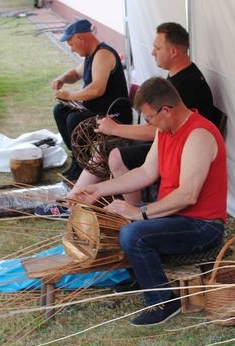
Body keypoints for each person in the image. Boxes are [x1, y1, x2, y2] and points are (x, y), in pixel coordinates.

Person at [73, 77, 227, 326]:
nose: (149, 124)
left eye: (149, 118)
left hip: (203, 225)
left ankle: (162, 301)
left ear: (166, 110)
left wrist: (140, 213)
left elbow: (188, 195)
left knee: (134, 235)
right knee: (114, 219)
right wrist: (97, 189)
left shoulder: (199, 135)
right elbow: (145, 173)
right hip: (175, 216)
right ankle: (142, 277)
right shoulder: (166, 130)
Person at [58, 22, 215, 207]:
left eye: (157, 48)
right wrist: (116, 130)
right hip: (167, 141)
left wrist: (116, 128)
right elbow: (159, 128)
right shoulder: (180, 75)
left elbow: (155, 131)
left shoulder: (188, 84)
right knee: (106, 148)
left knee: (116, 156)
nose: (152, 52)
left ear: (173, 51)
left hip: (180, 149)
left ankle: (134, 209)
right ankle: (73, 200)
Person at [51, 19, 132, 182]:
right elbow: (75, 73)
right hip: (97, 110)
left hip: (114, 114)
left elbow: (97, 89)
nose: (72, 49)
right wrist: (62, 78)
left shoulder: (103, 54)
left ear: (81, 38)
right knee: (60, 110)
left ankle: (82, 164)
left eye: (72, 44)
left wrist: (70, 95)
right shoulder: (91, 55)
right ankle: (78, 158)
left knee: (74, 119)